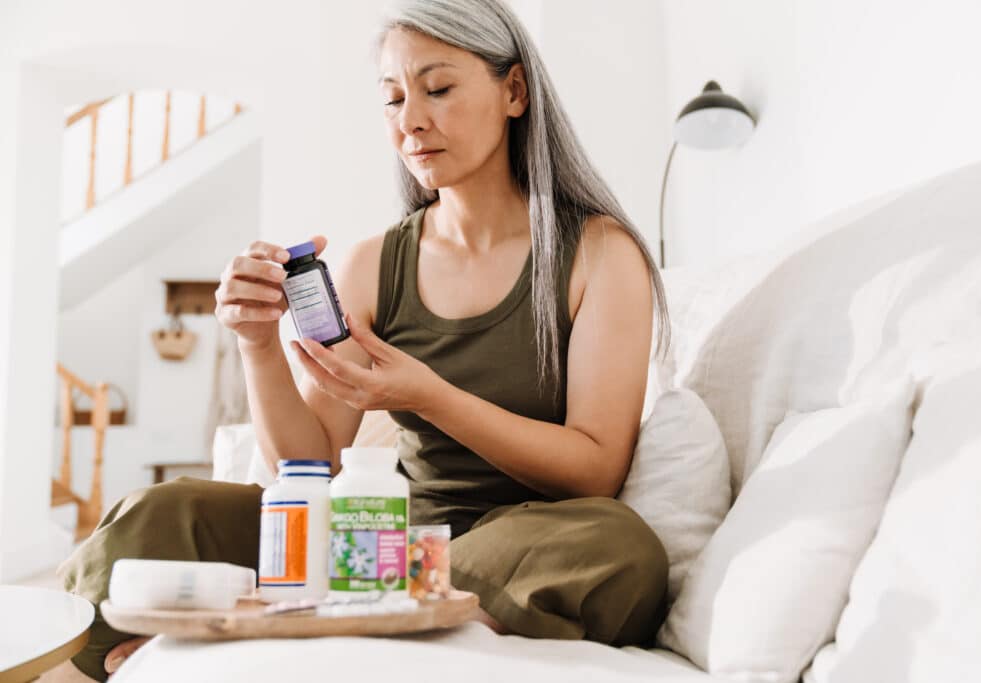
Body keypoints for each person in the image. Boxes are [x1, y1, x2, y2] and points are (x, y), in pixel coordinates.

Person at [54, 0, 673, 680]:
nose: (410, 121)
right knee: (161, 515)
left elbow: (596, 468)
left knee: (622, 546)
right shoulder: (373, 265)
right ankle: (364, 616)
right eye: (392, 98)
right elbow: (311, 461)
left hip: (518, 549)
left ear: (514, 91)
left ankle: (299, 624)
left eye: (437, 89)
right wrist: (257, 343)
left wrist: (431, 396)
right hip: (371, 546)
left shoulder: (600, 254)